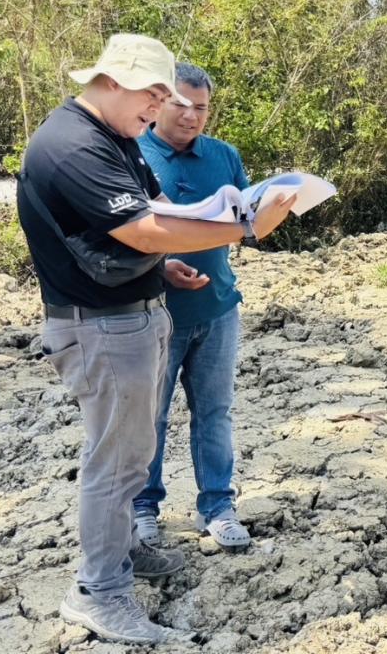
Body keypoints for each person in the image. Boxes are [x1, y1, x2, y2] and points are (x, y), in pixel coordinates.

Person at [17, 34, 295, 645]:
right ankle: (99, 592)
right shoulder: (73, 145)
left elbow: (158, 213)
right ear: (114, 81)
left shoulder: (115, 137)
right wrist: (246, 229)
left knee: (133, 452)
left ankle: (123, 553)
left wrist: (168, 263)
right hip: (100, 326)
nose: (161, 109)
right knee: (117, 464)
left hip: (133, 314)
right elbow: (144, 229)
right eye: (155, 96)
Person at [133, 63, 254, 550]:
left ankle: (218, 507)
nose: (191, 116)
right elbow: (116, 234)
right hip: (154, 314)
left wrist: (273, 209)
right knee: (149, 418)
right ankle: (143, 509)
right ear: (159, 102)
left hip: (218, 308)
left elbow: (245, 221)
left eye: (201, 108)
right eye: (182, 105)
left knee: (215, 412)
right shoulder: (130, 153)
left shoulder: (224, 156)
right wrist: (161, 266)